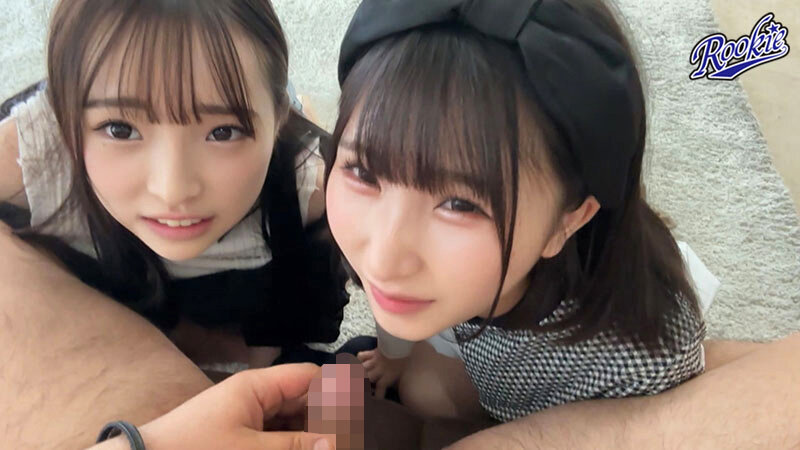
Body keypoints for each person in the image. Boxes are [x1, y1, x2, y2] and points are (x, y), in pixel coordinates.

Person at [324, 0, 706, 422]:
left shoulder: (641, 363)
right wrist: (394, 354)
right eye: (363, 172)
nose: (382, 260)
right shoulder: (424, 263)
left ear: (569, 220)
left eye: (460, 204)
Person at [0, 0, 349, 369]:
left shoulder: (314, 192)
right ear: (63, 118)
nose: (173, 191)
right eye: (120, 129)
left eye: (223, 132)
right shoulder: (30, 158)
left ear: (278, 118)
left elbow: (291, 337)